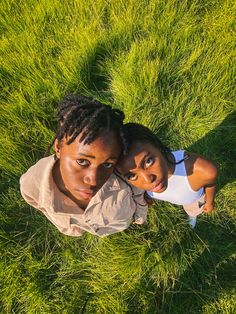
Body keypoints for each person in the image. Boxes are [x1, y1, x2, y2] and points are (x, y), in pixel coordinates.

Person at [20, 95, 147, 237]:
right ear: (58, 147)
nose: (93, 180)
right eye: (82, 162)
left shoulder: (126, 175)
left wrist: (139, 217)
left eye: (107, 164)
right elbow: (36, 203)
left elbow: (139, 194)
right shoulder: (31, 183)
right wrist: (71, 229)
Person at [117, 123, 218, 228]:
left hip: (193, 201)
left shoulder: (204, 170)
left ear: (157, 145)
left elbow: (210, 185)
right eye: (132, 176)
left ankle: (192, 215)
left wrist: (209, 203)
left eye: (148, 161)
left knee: (192, 209)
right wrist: (146, 195)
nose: (148, 180)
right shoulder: (140, 183)